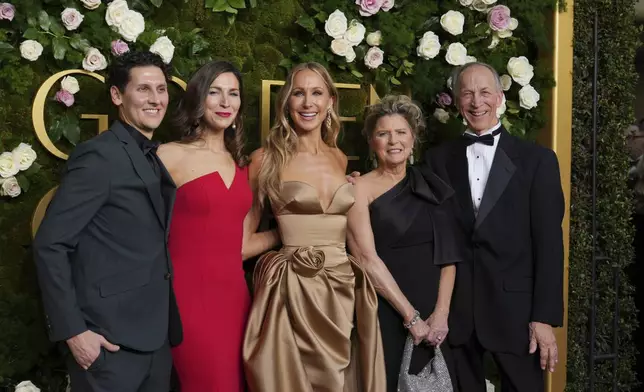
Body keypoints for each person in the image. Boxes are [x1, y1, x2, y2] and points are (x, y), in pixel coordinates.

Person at [32, 51, 182, 392]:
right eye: (143, 89)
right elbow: (50, 244)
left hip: (154, 340)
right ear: (117, 95)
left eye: (161, 89)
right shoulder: (99, 156)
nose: (155, 99)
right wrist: (74, 332)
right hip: (108, 344)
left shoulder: (147, 154)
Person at [242, 62, 386, 392]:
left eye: (317, 93)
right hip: (292, 292)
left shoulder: (339, 158)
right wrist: (287, 235)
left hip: (342, 290)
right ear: (286, 103)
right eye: (298, 93)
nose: (308, 103)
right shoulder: (265, 159)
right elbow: (242, 245)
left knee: (343, 382)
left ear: (331, 102)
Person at [423, 62, 564, 391]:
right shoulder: (437, 160)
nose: (476, 102)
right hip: (458, 314)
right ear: (458, 102)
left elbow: (549, 244)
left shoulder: (537, 161)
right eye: (468, 94)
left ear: (500, 97)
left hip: (515, 311)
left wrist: (543, 318)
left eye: (485, 92)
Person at [157, 60, 279, 391]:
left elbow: (239, 247)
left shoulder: (240, 164)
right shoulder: (168, 156)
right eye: (215, 92)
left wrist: (288, 231)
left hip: (237, 300)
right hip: (187, 301)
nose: (225, 103)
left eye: (233, 94)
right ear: (199, 98)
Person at [346, 95, 461, 391]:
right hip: (386, 311)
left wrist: (441, 315)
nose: (393, 141)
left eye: (401, 132)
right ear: (372, 141)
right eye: (383, 133)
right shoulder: (358, 188)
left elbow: (449, 256)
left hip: (436, 317)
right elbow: (365, 257)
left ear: (413, 138)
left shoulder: (431, 183)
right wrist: (411, 319)